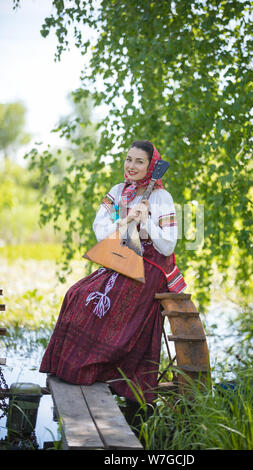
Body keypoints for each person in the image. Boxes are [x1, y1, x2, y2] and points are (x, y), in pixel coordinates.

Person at [40, 140, 186, 405]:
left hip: (152, 265)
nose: (131, 166)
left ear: (151, 166)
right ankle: (78, 367)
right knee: (78, 294)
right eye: (128, 159)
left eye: (139, 161)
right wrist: (125, 222)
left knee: (116, 299)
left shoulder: (161, 197)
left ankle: (106, 371)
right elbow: (101, 227)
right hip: (123, 256)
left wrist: (147, 221)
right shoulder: (119, 192)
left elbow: (168, 245)